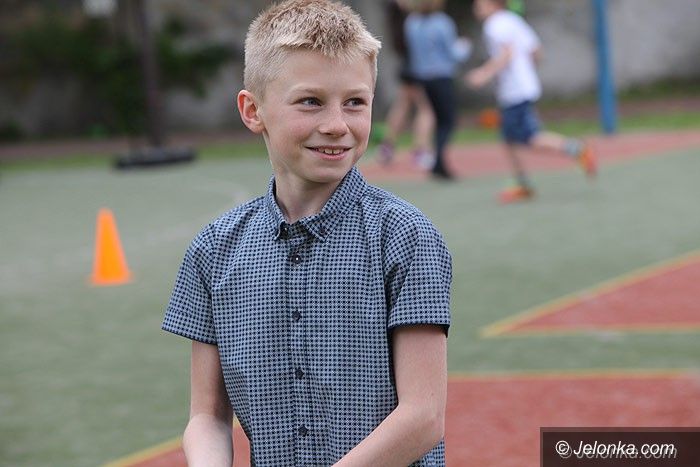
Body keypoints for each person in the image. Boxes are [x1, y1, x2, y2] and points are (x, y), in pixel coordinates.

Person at [161, 1, 452, 465]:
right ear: (253, 110)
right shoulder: (214, 250)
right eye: (310, 101)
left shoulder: (405, 236)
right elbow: (208, 417)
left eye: (355, 102)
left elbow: (423, 416)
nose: (337, 125)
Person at [466, 0, 597, 203]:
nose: (476, 6)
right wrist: (526, 73)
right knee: (509, 138)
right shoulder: (513, 20)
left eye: (480, 3)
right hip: (525, 87)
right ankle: (522, 182)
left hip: (514, 92)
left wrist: (483, 74)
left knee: (529, 137)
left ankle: (575, 148)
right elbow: (536, 51)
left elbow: (507, 53)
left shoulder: (494, 24)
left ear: (494, 4)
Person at [404, 0, 472, 179]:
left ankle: (436, 160)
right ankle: (439, 161)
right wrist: (465, 46)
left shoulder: (412, 22)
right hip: (441, 76)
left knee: (435, 117)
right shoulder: (442, 22)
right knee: (446, 121)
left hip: (423, 77)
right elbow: (454, 54)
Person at [377, 0, 436, 169]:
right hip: (417, 68)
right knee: (427, 109)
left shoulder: (397, 17)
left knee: (402, 106)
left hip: (406, 67)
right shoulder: (412, 20)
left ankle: (387, 147)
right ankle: (421, 150)